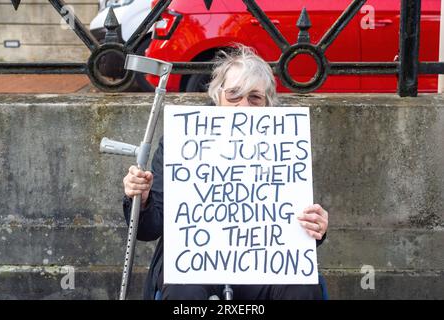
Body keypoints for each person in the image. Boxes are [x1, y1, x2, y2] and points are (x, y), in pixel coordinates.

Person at [122, 45, 329, 300]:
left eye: (254, 97)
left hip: (266, 262)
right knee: (184, 294)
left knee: (300, 291)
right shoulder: (182, 141)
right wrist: (140, 200)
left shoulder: (285, 144)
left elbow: (293, 225)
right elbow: (148, 229)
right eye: (234, 95)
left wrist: (315, 227)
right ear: (217, 96)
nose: (243, 106)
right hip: (194, 262)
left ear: (267, 104)